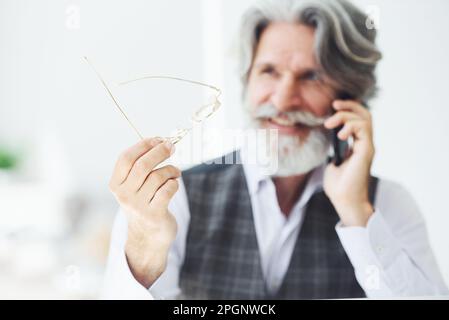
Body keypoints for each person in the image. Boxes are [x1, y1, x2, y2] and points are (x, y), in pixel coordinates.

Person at [102, 0, 448, 299]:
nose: (282, 100)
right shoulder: (172, 200)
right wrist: (146, 246)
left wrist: (356, 211)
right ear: (247, 81)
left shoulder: (386, 205)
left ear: (349, 99)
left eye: (311, 76)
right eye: (269, 71)